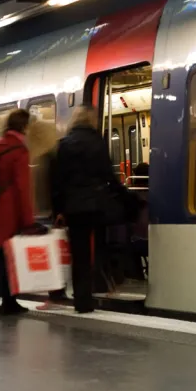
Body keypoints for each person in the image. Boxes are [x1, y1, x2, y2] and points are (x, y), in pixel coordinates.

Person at [54, 105, 132, 314]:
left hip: (73, 208)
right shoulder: (97, 142)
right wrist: (125, 196)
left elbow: (59, 181)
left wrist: (59, 210)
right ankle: (100, 284)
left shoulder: (65, 144)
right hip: (95, 206)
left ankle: (82, 300)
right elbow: (109, 175)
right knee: (96, 248)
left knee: (79, 254)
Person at [0, 109, 34, 315]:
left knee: (5, 259)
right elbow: (22, 188)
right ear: (24, 126)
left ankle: (8, 302)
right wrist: (28, 220)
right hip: (9, 214)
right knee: (8, 260)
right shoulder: (19, 150)